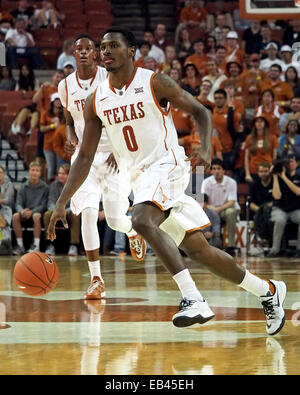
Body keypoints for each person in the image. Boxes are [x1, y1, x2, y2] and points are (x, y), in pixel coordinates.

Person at [47, 27, 287, 336]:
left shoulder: (154, 81)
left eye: (113, 46)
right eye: (102, 47)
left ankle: (192, 298)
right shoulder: (96, 99)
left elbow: (200, 110)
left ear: (132, 50)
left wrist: (206, 147)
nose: (105, 51)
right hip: (139, 178)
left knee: (142, 219)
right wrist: (62, 202)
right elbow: (83, 157)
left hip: (167, 166)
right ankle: (268, 290)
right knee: (200, 250)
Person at [57, 33, 147, 300]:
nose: (84, 53)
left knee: (115, 219)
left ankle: (132, 231)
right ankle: (96, 278)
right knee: (86, 212)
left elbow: (122, 115)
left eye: (89, 49)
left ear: (96, 53)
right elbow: (69, 120)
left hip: (114, 155)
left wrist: (120, 150)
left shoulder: (108, 80)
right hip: (85, 158)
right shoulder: (65, 86)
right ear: (73, 53)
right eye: (79, 49)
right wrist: (71, 137)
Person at [201, 158, 239, 256]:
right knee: (202, 211)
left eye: (219, 168)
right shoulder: (206, 182)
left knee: (232, 212)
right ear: (211, 170)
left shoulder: (231, 182)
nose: (216, 171)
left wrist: (218, 209)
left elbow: (231, 202)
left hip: (224, 209)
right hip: (210, 209)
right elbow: (203, 201)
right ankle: (204, 246)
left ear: (223, 170)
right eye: (214, 169)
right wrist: (212, 209)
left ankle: (231, 245)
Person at [12, 161, 49, 255]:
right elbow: (18, 204)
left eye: (37, 170)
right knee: (15, 216)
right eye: (33, 170)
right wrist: (22, 211)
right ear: (29, 171)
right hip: (25, 213)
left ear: (40, 173)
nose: (34, 172)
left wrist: (32, 212)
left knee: (36, 216)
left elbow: (44, 205)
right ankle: (20, 246)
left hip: (37, 213)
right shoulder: (23, 186)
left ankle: (36, 245)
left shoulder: (45, 187)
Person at [43, 164, 80, 256]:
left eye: (63, 173)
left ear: (69, 175)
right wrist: (55, 211)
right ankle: (50, 244)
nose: (60, 176)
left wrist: (63, 211)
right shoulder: (53, 185)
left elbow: (75, 203)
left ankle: (73, 245)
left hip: (69, 211)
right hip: (56, 211)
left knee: (76, 215)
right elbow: (50, 201)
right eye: (59, 173)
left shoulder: (74, 185)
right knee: (47, 214)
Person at [268, 156, 300, 257]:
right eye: (287, 162)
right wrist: (275, 177)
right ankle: (275, 249)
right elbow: (277, 196)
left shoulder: (298, 177)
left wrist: (284, 177)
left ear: (297, 164)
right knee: (280, 220)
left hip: (295, 209)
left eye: (292, 162)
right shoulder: (277, 177)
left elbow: (298, 192)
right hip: (280, 209)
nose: (289, 164)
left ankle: (299, 249)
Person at [244, 116, 278, 183]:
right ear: (254, 124)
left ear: (265, 124)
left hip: (267, 170)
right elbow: (246, 158)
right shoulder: (249, 138)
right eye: (257, 121)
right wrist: (247, 174)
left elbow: (274, 157)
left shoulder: (272, 137)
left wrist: (272, 168)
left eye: (261, 121)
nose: (259, 123)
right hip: (254, 170)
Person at [40, 92, 64, 182]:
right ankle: (50, 187)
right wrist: (52, 126)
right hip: (49, 145)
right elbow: (41, 128)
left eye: (59, 100)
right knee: (51, 168)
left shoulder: (64, 113)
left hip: (61, 144)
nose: (58, 102)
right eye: (56, 100)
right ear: (52, 102)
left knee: (60, 168)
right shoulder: (46, 113)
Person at [249, 162, 274, 247]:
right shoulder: (254, 185)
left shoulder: (274, 183)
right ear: (258, 173)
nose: (263, 173)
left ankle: (264, 239)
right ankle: (263, 239)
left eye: (265, 171)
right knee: (261, 215)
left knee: (267, 215)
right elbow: (251, 204)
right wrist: (260, 210)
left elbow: (276, 202)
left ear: (269, 172)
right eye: (261, 171)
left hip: (272, 210)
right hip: (258, 211)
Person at [0, 166, 14, 254]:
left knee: (4, 225)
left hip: (6, 209)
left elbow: (8, 200)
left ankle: (5, 243)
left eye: (0, 172)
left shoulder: (9, 184)